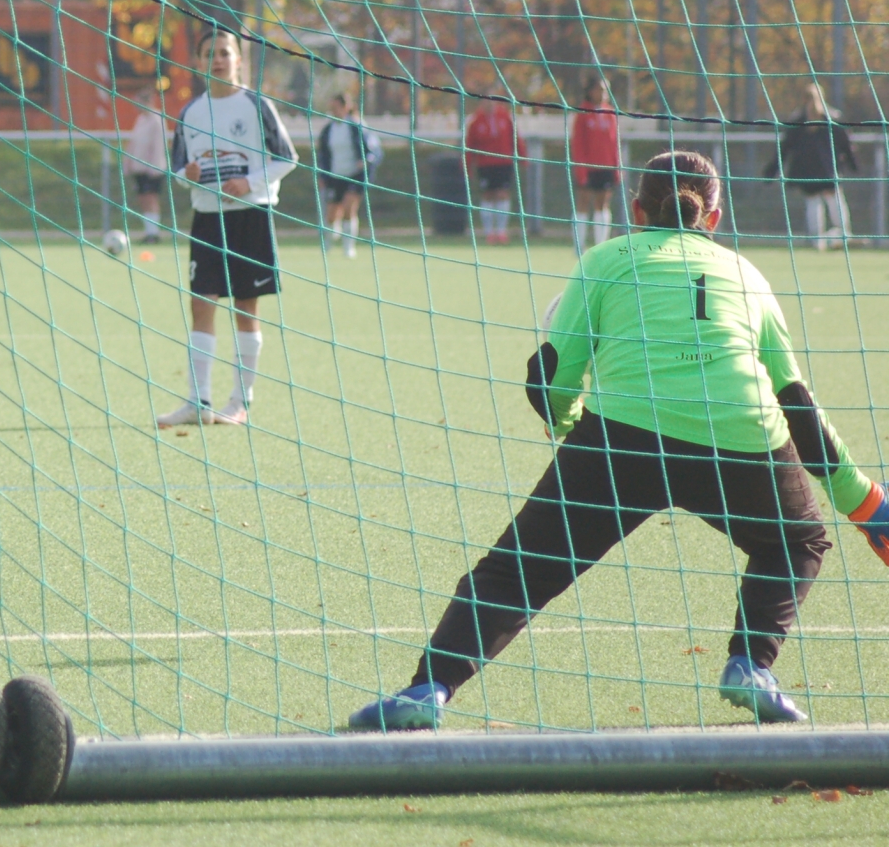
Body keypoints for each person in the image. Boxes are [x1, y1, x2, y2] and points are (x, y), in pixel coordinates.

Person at [348, 151, 889, 732]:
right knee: (797, 540)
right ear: (714, 217)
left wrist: (565, 425)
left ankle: (428, 689)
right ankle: (751, 667)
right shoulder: (746, 275)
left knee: (517, 571)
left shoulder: (604, 260)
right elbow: (796, 402)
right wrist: (867, 504)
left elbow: (551, 377)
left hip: (622, 440)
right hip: (740, 434)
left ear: (636, 210)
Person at [155, 26, 296, 429]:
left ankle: (239, 402)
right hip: (207, 219)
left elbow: (287, 158)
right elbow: (178, 168)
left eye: (224, 53)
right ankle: (198, 401)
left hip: (251, 215)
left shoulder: (256, 105)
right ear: (198, 62)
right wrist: (188, 175)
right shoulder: (190, 112)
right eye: (209, 54)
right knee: (201, 303)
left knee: (245, 308)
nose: (217, 60)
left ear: (237, 60)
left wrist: (249, 183)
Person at [764, 84, 858, 251]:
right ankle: (843, 236)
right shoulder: (831, 119)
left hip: (807, 171)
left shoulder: (799, 121)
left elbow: (784, 149)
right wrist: (853, 164)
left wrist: (771, 171)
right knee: (834, 200)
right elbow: (846, 144)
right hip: (828, 170)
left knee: (813, 202)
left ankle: (819, 242)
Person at [316, 92, 381, 258]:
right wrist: (322, 175)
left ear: (345, 107)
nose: (333, 111)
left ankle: (348, 248)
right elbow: (322, 155)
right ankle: (328, 246)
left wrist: (365, 161)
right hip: (335, 176)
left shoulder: (357, 126)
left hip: (354, 176)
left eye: (336, 107)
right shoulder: (328, 130)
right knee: (331, 214)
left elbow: (374, 151)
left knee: (348, 209)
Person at [569, 79, 622, 256]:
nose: (603, 94)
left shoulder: (610, 113)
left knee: (603, 203)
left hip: (605, 166)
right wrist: (581, 169)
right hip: (587, 166)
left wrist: (616, 167)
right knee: (583, 203)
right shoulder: (583, 112)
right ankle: (579, 246)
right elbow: (578, 143)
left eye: (606, 90)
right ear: (590, 91)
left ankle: (600, 247)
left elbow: (614, 142)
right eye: (600, 89)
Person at [465, 99, 522, 244]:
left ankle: (502, 232)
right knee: (488, 196)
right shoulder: (476, 122)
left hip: (503, 163)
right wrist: (467, 166)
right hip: (485, 165)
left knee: (502, 194)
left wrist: (522, 155)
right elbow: (470, 145)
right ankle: (489, 232)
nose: (489, 104)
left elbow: (515, 137)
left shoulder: (505, 117)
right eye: (486, 100)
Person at [123, 88, 169, 243]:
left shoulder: (157, 119)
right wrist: (128, 163)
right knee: (143, 198)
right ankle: (148, 231)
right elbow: (134, 142)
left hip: (152, 169)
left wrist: (153, 168)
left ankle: (154, 233)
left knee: (151, 198)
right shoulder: (141, 120)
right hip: (139, 168)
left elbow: (158, 145)